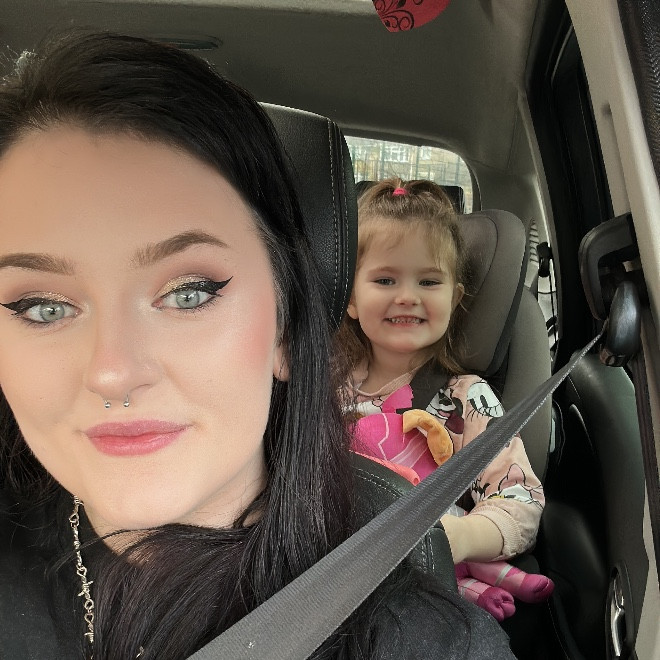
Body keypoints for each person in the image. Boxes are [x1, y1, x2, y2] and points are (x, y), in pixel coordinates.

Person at [0, 31, 516, 659]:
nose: (112, 372)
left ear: (285, 329)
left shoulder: (427, 642)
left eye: (189, 293)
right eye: (43, 307)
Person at [336, 178, 545, 574]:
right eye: (385, 280)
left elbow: (521, 503)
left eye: (429, 281)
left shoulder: (466, 400)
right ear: (351, 300)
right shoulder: (326, 385)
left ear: (454, 298)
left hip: (417, 572)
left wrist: (459, 537)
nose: (407, 297)